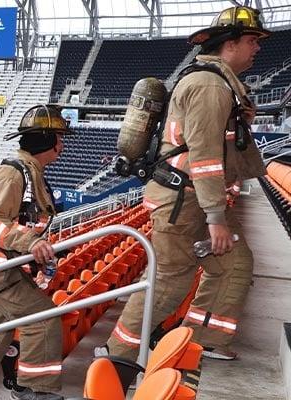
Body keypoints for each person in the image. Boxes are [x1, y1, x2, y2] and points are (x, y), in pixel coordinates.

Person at [99, 6, 270, 362]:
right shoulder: (210, 86)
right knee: (169, 281)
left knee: (234, 264)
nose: (258, 48)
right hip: (184, 202)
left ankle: (204, 338)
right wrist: (215, 217)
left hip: (191, 198)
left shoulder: (218, 84)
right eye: (253, 40)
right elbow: (205, 158)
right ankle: (116, 356)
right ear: (230, 44)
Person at [0, 104, 70, 400]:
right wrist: (30, 242)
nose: (62, 142)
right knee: (43, 319)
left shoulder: (29, 173)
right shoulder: (12, 175)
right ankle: (37, 390)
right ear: (45, 139)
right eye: (58, 136)